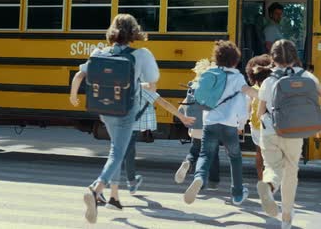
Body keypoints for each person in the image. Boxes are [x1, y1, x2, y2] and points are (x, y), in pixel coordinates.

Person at [69, 14, 195, 224]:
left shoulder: (99, 52)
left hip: (103, 109)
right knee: (118, 152)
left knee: (115, 151)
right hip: (126, 110)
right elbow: (153, 81)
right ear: (134, 32)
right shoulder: (141, 54)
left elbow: (79, 75)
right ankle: (95, 189)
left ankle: (113, 197)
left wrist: (73, 96)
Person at [256, 39, 321, 229]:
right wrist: (320, 120)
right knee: (290, 173)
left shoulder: (268, 81)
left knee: (272, 168)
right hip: (294, 133)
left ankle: (269, 186)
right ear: (294, 56)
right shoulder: (307, 76)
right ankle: (286, 218)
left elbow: (259, 112)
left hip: (271, 132)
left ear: (273, 59)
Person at [183, 40, 258, 206]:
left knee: (205, 154)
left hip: (210, 123)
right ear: (235, 60)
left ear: (216, 58)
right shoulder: (237, 77)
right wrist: (264, 96)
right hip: (229, 125)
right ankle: (237, 193)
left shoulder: (210, 73)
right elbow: (248, 93)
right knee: (235, 157)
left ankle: (199, 178)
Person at [174, 59, 221, 190]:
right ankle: (212, 181)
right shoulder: (213, 88)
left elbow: (181, 109)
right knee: (212, 155)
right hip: (210, 128)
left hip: (195, 129)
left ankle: (188, 162)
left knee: (194, 151)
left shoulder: (193, 88)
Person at [245, 54, 273, 180]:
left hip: (256, 126)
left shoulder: (252, 89)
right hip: (271, 125)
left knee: (259, 151)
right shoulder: (273, 87)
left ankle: (261, 177)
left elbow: (247, 109)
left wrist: (241, 123)